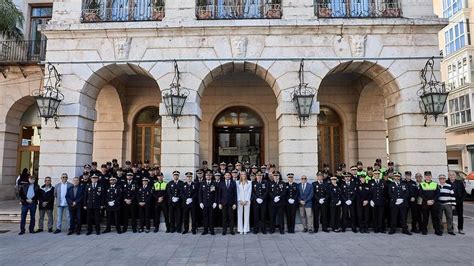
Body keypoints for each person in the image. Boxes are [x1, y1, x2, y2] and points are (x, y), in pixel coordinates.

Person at [419, 171, 441, 236]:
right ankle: (424, 230)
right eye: (426, 176)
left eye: (429, 175)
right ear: (424, 177)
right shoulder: (421, 184)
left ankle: (437, 230)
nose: (428, 177)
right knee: (425, 217)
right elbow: (421, 194)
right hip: (425, 203)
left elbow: (438, 193)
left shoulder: (435, 184)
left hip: (434, 203)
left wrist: (433, 200)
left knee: (435, 217)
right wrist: (427, 201)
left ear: (431, 176)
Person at [447, 170, 466, 234]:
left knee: (460, 216)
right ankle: (451, 229)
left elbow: (464, 192)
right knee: (450, 216)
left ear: (455, 176)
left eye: (453, 175)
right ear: (448, 176)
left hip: (459, 201)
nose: (452, 176)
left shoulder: (460, 182)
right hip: (450, 202)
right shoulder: (446, 182)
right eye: (450, 175)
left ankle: (460, 229)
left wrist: (462, 199)